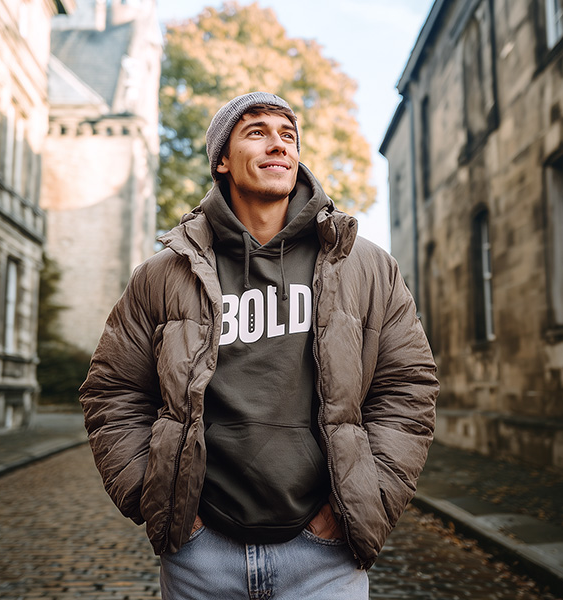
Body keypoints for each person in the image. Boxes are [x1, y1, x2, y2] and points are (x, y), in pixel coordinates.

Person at [79, 91, 438, 599]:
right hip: (201, 556)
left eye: (288, 135)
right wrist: (157, 498)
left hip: (326, 559)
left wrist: (363, 499)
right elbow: (112, 391)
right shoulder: (165, 274)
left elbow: (407, 387)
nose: (279, 145)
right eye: (257, 132)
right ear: (221, 160)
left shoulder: (365, 266)